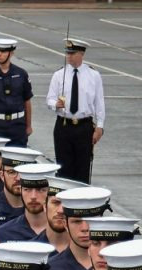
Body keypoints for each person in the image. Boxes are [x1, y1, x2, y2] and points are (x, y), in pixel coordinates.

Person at [46, 39, 105, 185]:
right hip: (64, 125)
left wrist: (100, 127)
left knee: (83, 168)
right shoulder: (59, 74)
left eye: (72, 53)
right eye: (67, 53)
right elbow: (49, 99)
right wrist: (56, 104)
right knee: (64, 168)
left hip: (84, 126)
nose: (69, 56)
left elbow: (99, 102)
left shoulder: (93, 75)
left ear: (81, 54)